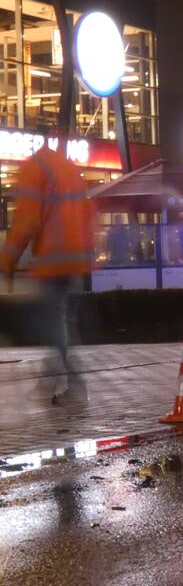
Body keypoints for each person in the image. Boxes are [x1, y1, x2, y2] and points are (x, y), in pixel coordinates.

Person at [0, 145, 94, 402]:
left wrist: (7, 260)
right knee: (61, 322)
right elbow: (87, 212)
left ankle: (73, 386)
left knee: (51, 324)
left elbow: (26, 221)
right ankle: (51, 380)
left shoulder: (34, 168)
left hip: (54, 260)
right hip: (75, 260)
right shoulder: (67, 168)